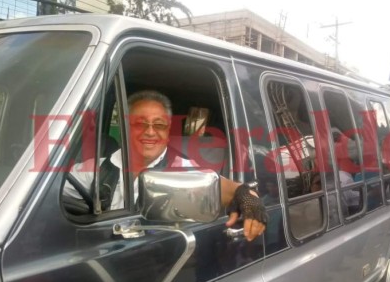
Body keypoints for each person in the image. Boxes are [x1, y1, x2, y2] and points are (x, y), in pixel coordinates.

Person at [65, 90, 267, 241]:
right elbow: (51, 189)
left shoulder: (182, 168)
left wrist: (248, 199)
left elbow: (232, 190)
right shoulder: (98, 168)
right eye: (140, 124)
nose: (150, 132)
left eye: (159, 125)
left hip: (162, 261)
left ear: (168, 130)